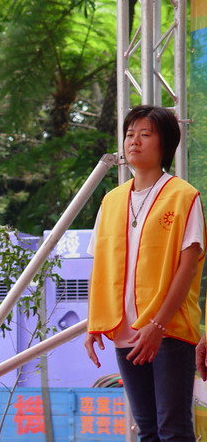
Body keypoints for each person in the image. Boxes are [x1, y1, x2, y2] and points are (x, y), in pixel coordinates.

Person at [84, 105, 205, 441]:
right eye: (129, 134)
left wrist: (158, 324)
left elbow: (188, 266)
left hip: (169, 329)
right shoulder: (111, 200)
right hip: (125, 330)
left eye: (145, 134)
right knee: (147, 429)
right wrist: (95, 322)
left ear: (165, 143)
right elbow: (101, 266)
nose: (134, 141)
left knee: (173, 429)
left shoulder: (183, 196)